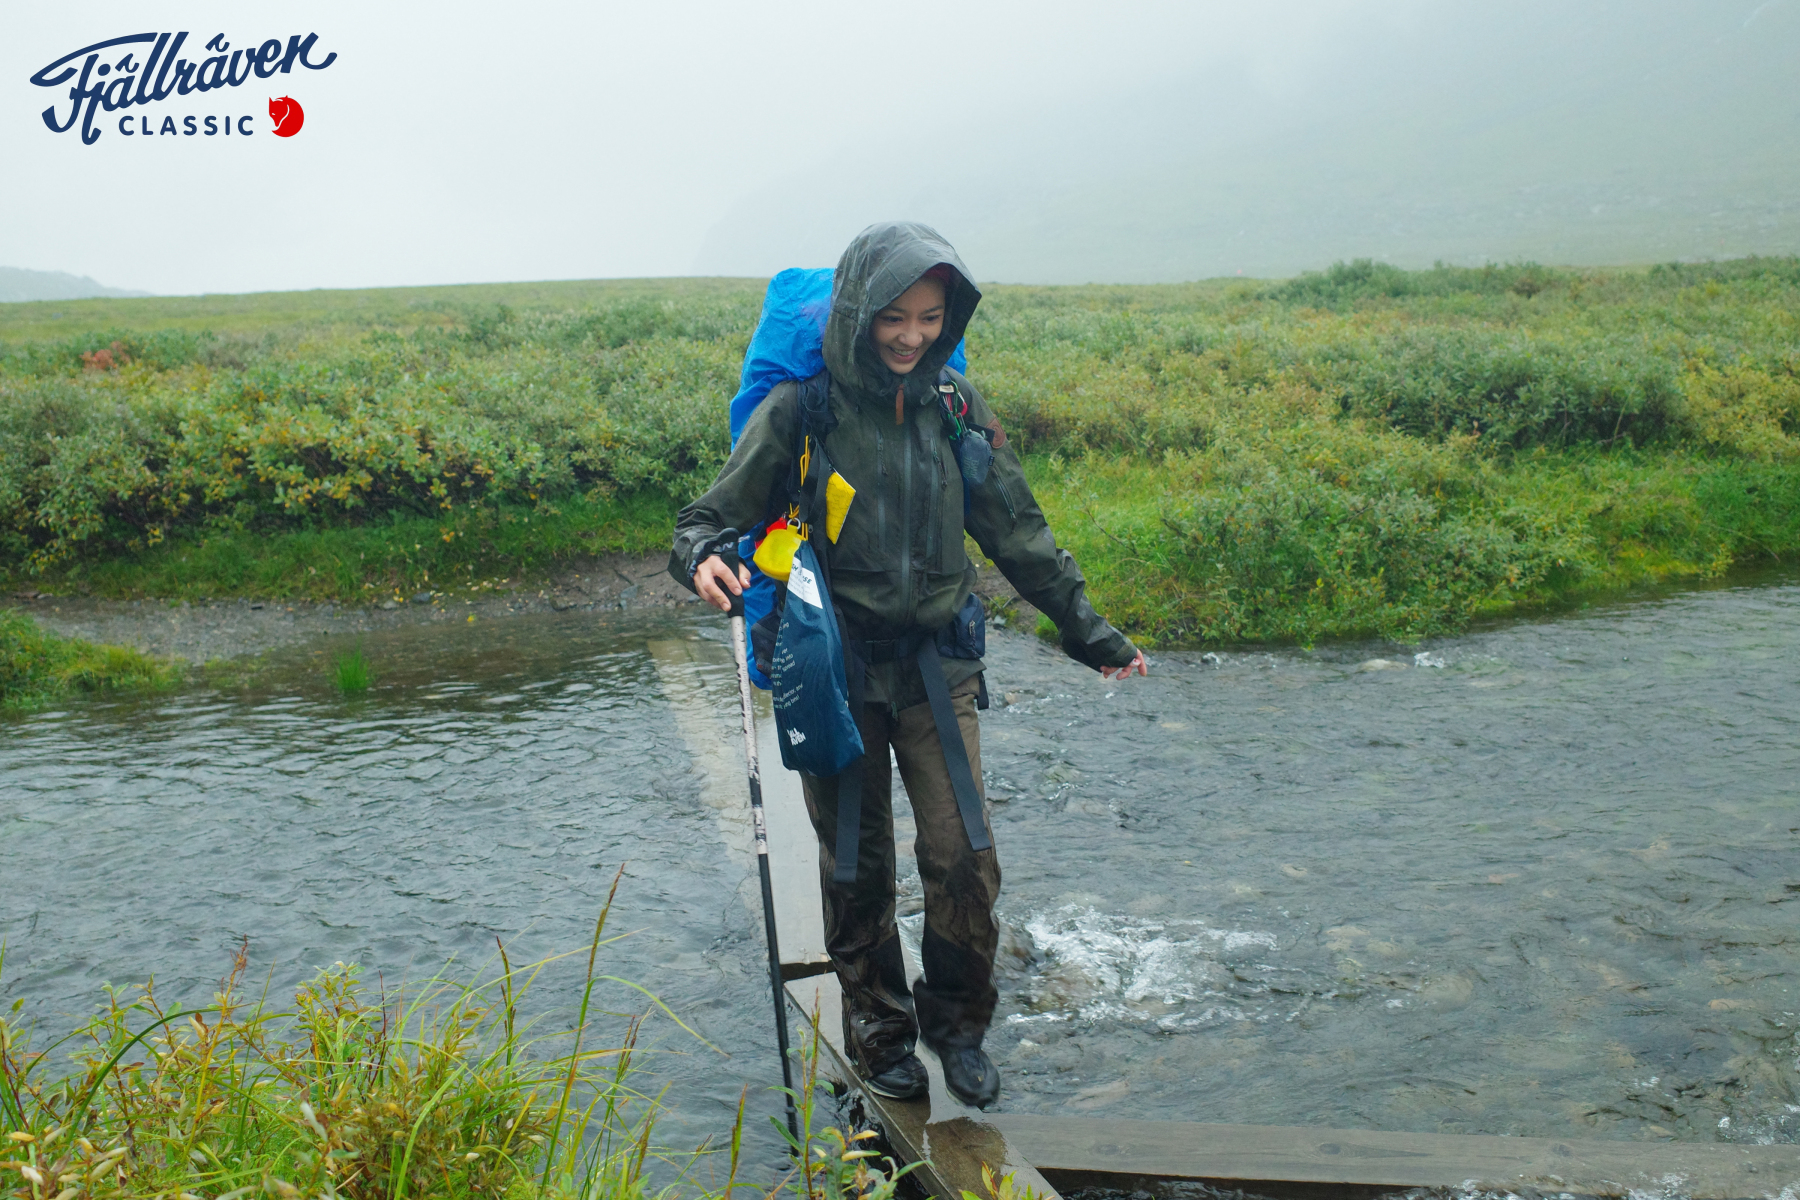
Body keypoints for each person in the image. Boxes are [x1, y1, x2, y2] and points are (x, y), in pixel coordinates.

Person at [670, 221, 1145, 1109]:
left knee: (963, 856)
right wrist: (701, 557)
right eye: (893, 317)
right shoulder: (802, 412)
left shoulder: (956, 408)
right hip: (835, 673)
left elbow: (1018, 530)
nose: (911, 336)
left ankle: (958, 1027)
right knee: (856, 865)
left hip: (937, 669)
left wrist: (1093, 635)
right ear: (858, 312)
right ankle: (879, 1031)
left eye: (930, 318)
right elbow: (707, 518)